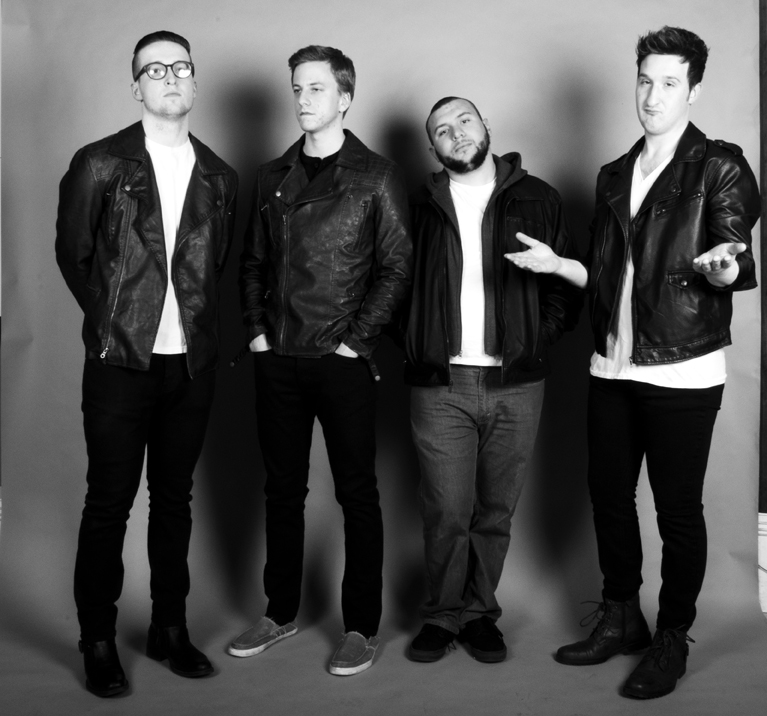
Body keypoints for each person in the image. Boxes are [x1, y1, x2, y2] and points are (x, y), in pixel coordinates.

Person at [507, 26, 759, 699]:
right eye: (645, 80)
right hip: (611, 367)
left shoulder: (718, 167)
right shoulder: (614, 174)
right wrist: (559, 265)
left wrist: (721, 267)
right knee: (609, 498)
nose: (652, 96)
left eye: (669, 83)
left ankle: (672, 636)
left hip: (682, 368)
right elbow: (612, 277)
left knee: (676, 511)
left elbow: (735, 257)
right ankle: (622, 617)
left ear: (693, 90)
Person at [55, 30, 238, 697]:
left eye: (179, 67)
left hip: (191, 366)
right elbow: (73, 252)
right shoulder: (100, 163)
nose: (169, 77)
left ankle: (169, 628)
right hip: (120, 364)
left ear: (194, 81)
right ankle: (97, 639)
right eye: (153, 69)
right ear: (135, 86)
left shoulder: (220, 176)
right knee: (108, 504)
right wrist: (114, 323)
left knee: (174, 501)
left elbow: (213, 268)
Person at [232, 45, 411, 676]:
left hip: (341, 360)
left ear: (345, 97)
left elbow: (397, 268)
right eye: (297, 88)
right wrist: (258, 336)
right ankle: (279, 612)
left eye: (316, 88)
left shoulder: (377, 176)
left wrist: (354, 343)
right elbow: (252, 263)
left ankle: (361, 626)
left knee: (357, 494)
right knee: (282, 491)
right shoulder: (271, 175)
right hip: (277, 359)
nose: (303, 99)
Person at [404, 97, 582, 663]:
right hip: (441, 383)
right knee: (445, 509)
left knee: (496, 511)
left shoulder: (539, 198)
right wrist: (417, 344)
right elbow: (391, 282)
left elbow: (564, 284)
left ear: (485, 126)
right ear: (432, 148)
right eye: (442, 130)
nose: (456, 133)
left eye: (464, 120)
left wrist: (533, 340)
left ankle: (479, 614)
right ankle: (442, 614)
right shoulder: (417, 205)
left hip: (517, 383)